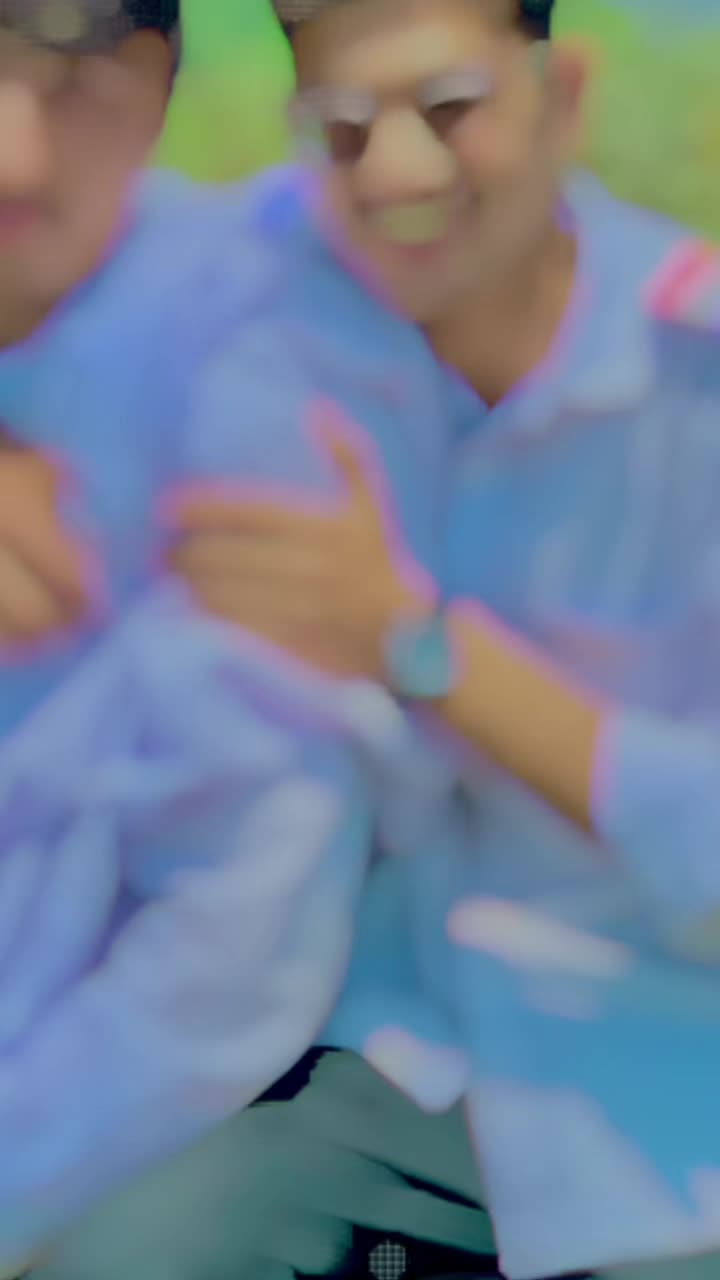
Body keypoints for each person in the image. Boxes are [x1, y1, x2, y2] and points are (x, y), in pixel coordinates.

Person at [6, 3, 720, 1280]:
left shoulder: (693, 377)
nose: (395, 170)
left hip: (663, 1092)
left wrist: (416, 644)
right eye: (343, 130)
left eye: (450, 106)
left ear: (561, 93)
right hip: (371, 1071)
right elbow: (66, 268)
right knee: (124, 1250)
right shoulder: (270, 292)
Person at [0, 2, 477, 1277]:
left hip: (278, 1070)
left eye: (69, 89)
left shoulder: (254, 374)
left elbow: (233, 940)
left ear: (152, 89)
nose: (15, 149)